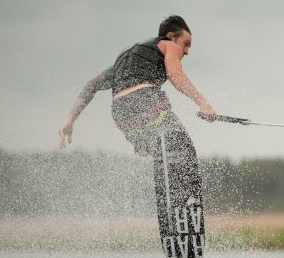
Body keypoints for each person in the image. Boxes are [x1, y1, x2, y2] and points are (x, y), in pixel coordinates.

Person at [58, 15, 216, 156]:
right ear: (170, 36)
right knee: (181, 146)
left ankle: (162, 168)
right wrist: (204, 104)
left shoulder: (127, 58)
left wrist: (70, 120)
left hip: (121, 112)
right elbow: (175, 75)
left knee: (161, 150)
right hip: (146, 100)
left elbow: (92, 85)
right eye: (186, 44)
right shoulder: (169, 44)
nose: (187, 51)